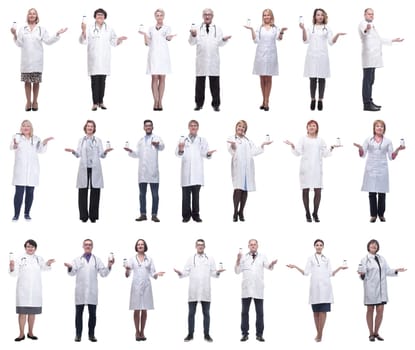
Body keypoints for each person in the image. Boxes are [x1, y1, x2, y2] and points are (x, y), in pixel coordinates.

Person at [287, 239, 347, 342]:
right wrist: (295, 266)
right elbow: (306, 273)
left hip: (326, 288)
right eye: (317, 245)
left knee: (323, 311)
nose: (319, 246)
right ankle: (319, 333)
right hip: (315, 289)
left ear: (323, 247)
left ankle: (320, 334)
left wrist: (340, 268)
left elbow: (330, 273)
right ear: (314, 246)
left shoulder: (327, 259)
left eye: (321, 245)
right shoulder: (310, 258)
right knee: (315, 312)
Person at [11, 8, 67, 111]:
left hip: (37, 61)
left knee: (36, 82)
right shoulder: (22, 29)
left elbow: (48, 41)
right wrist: (14, 34)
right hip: (26, 61)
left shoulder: (41, 29)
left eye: (34, 14)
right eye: (30, 14)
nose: (32, 15)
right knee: (27, 82)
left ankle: (35, 101)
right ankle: (28, 102)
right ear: (27, 16)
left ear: (37, 16)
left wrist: (57, 34)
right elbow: (19, 44)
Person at [284, 120, 339, 222]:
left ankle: (315, 213)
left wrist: (331, 148)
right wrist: (292, 146)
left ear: (317, 128)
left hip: (317, 169)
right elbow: (298, 153)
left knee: (318, 191)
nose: (312, 127)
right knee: (305, 190)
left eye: (314, 126)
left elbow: (325, 154)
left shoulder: (320, 140)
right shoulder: (303, 139)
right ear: (307, 128)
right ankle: (308, 213)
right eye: (310, 126)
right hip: (305, 168)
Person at [353, 120, 405, 222]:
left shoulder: (388, 141)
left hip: (382, 169)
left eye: (381, 126)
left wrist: (398, 149)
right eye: (377, 126)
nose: (379, 128)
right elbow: (363, 155)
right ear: (374, 128)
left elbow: (391, 157)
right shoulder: (368, 140)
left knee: (382, 193)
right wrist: (360, 148)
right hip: (371, 168)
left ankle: (381, 214)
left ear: (384, 129)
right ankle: (373, 215)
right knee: (372, 193)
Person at [174, 239, 225, 342]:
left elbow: (214, 274)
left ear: (204, 246)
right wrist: (180, 273)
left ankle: (206, 335)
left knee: (206, 313)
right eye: (198, 245)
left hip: (205, 291)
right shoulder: (190, 258)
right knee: (191, 314)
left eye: (202, 245)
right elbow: (185, 272)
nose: (200, 246)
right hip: (193, 290)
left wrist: (218, 272)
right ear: (196, 246)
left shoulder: (210, 259)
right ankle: (190, 334)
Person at [64, 239, 114, 342]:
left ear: (92, 247)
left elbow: (103, 274)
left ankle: (91, 335)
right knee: (78, 315)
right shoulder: (77, 259)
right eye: (86, 244)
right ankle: (78, 335)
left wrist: (109, 265)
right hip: (80, 292)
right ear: (82, 246)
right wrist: (69, 267)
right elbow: (72, 273)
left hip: (92, 291)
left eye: (90, 245)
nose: (88, 246)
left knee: (93, 315)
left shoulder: (97, 260)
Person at [65, 120, 113, 223]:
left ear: (94, 128)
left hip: (95, 168)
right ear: (85, 128)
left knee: (95, 191)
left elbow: (102, 155)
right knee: (82, 191)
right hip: (84, 167)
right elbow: (78, 154)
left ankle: (93, 216)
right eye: (88, 126)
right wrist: (73, 151)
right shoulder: (81, 140)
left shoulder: (98, 140)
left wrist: (105, 152)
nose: (90, 128)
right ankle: (83, 216)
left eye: (92, 126)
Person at [358, 239, 406, 341]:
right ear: (368, 247)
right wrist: (362, 274)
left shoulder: (382, 259)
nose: (374, 246)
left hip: (381, 290)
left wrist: (396, 270)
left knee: (380, 311)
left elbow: (387, 271)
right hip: (370, 289)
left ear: (377, 247)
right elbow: (362, 273)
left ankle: (376, 332)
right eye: (372, 244)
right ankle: (371, 333)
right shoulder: (364, 259)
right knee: (370, 310)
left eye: (376, 245)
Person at [80, 8, 127, 111]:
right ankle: (95, 103)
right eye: (98, 15)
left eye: (101, 15)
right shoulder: (89, 28)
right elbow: (83, 41)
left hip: (104, 59)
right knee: (94, 81)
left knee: (102, 81)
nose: (100, 16)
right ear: (95, 17)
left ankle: (101, 102)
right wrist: (83, 31)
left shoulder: (109, 29)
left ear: (105, 17)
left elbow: (114, 42)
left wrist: (119, 39)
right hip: (94, 59)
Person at [9, 239, 55, 341]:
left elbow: (44, 268)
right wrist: (11, 267)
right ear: (25, 247)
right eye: (28, 246)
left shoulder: (39, 258)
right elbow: (14, 273)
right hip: (23, 291)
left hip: (35, 291)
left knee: (32, 313)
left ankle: (30, 332)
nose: (30, 248)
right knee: (22, 313)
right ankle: (21, 334)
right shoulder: (20, 258)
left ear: (35, 248)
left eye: (32, 247)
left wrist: (48, 263)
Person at [300, 8, 345, 111]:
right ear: (314, 17)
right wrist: (302, 29)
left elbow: (331, 42)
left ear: (324, 16)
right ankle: (312, 99)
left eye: (321, 15)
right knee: (312, 78)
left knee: (321, 79)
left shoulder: (327, 28)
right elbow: (305, 40)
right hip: (312, 56)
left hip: (322, 56)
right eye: (318, 15)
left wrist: (337, 35)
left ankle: (320, 100)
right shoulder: (310, 27)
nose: (320, 16)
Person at [359, 8, 403, 111]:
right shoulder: (363, 23)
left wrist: (393, 40)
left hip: (373, 58)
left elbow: (379, 39)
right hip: (368, 57)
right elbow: (364, 30)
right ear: (364, 14)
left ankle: (370, 101)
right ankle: (366, 104)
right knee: (367, 81)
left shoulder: (373, 26)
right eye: (369, 14)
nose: (371, 16)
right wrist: (367, 28)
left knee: (371, 80)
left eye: (372, 14)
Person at [227, 120, 272, 221]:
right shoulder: (232, 138)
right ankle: (235, 212)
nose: (241, 128)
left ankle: (241, 211)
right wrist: (233, 146)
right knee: (238, 189)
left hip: (248, 168)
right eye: (239, 126)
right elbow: (231, 150)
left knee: (245, 190)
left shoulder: (248, 140)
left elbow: (254, 151)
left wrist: (263, 144)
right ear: (236, 127)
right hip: (238, 167)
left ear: (245, 130)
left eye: (243, 127)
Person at [189, 8, 231, 112]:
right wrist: (193, 35)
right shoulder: (197, 28)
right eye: (205, 14)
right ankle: (199, 104)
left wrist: (224, 40)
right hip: (201, 61)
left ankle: (216, 104)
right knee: (199, 85)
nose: (207, 16)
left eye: (209, 14)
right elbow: (191, 42)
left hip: (213, 61)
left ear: (212, 16)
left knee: (215, 85)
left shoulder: (218, 28)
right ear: (203, 16)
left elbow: (220, 43)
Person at [244, 9, 287, 111]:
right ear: (262, 17)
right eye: (264, 15)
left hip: (271, 55)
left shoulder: (275, 28)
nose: (266, 17)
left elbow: (279, 38)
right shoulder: (260, 28)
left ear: (271, 17)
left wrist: (281, 32)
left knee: (268, 79)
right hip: (260, 55)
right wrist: (251, 30)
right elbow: (255, 41)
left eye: (268, 15)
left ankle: (267, 101)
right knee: (262, 79)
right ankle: (263, 100)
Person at [235, 239, 277, 342]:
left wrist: (272, 264)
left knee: (260, 313)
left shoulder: (262, 256)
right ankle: (244, 334)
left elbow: (269, 267)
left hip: (258, 289)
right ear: (248, 246)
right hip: (246, 289)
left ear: (257, 246)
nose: (253, 246)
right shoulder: (244, 257)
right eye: (251, 244)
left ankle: (259, 334)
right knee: (244, 312)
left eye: (255, 244)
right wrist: (237, 260)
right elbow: (237, 271)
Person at [11, 120, 53, 221]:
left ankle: (27, 214)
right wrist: (15, 145)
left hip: (32, 171)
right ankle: (16, 215)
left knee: (30, 193)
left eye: (28, 126)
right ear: (21, 128)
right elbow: (12, 147)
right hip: (20, 171)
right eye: (24, 126)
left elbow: (40, 150)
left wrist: (44, 142)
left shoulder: (36, 138)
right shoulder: (16, 137)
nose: (26, 127)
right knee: (19, 194)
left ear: (31, 128)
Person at [124, 120, 165, 222]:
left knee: (155, 195)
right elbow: (137, 154)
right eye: (146, 126)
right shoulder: (140, 141)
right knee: (142, 194)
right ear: (144, 128)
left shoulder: (157, 138)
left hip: (153, 172)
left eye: (150, 125)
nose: (148, 127)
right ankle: (143, 214)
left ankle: (154, 215)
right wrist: (130, 151)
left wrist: (157, 145)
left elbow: (162, 147)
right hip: (142, 172)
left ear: (152, 127)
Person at [176, 120, 215, 222]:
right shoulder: (183, 139)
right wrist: (180, 150)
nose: (193, 127)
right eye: (191, 125)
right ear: (188, 127)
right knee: (185, 197)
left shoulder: (202, 140)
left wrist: (208, 154)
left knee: (196, 197)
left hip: (197, 173)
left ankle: (196, 215)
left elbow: (204, 153)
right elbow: (177, 153)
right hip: (186, 173)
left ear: (198, 128)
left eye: (195, 126)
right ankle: (186, 216)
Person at [125, 239, 164, 341]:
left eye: (142, 244)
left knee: (145, 309)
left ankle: (142, 331)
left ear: (145, 246)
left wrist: (157, 274)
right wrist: (127, 270)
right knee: (136, 309)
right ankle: (137, 332)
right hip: (136, 287)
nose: (140, 246)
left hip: (146, 286)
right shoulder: (132, 259)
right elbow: (127, 275)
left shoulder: (149, 259)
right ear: (136, 246)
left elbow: (152, 273)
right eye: (138, 244)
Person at [139, 9, 175, 111]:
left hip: (163, 55)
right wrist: (145, 35)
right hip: (153, 55)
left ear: (164, 16)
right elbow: (147, 43)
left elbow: (168, 38)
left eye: (161, 15)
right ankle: (155, 101)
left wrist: (170, 37)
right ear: (155, 17)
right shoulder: (150, 28)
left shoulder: (167, 28)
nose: (159, 17)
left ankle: (160, 101)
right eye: (157, 15)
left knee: (162, 78)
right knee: (154, 78)